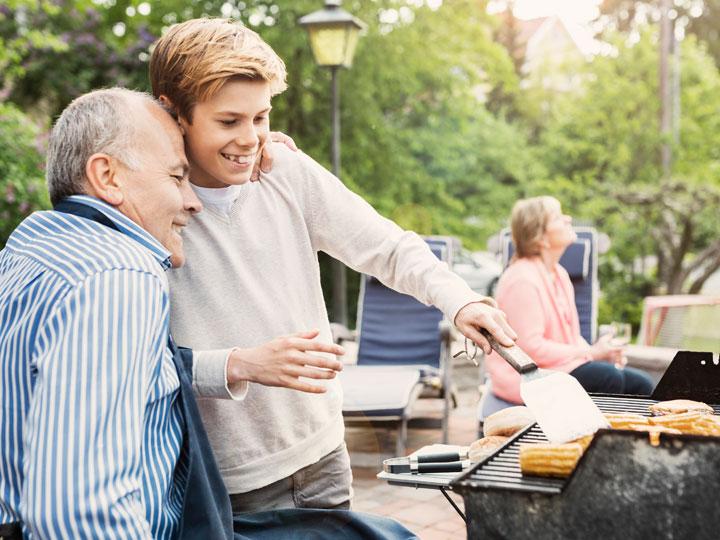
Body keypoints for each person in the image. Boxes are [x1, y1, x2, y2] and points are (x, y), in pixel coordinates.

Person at [0, 88, 417, 539]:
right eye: (178, 177)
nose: (192, 202)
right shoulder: (119, 276)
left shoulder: (32, 246)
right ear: (108, 176)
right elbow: (76, 513)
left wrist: (247, 139)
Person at [149, 17, 518, 514]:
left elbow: (387, 246)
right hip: (227, 479)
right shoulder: (145, 208)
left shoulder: (287, 173)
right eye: (228, 121)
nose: (251, 139)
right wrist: (240, 363)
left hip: (322, 454)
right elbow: (137, 361)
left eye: (261, 118)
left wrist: (460, 300)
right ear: (174, 115)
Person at [485, 196, 654, 405]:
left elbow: (572, 338)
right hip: (525, 376)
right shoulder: (522, 280)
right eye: (558, 217)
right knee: (608, 377)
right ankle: (592, 436)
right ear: (541, 238)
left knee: (642, 385)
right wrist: (590, 352)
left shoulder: (559, 274)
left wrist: (600, 353)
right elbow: (531, 349)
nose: (568, 218)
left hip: (557, 367)